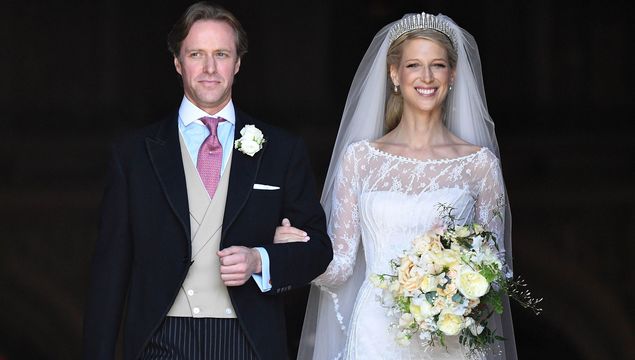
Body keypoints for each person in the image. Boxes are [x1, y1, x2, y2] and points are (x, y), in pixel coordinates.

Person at [81, 2, 332, 359]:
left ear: (238, 63)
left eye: (222, 54)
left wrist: (260, 259)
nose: (210, 68)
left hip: (248, 339)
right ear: (177, 62)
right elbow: (110, 270)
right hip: (160, 338)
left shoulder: (282, 149)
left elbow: (319, 249)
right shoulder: (133, 154)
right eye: (196, 54)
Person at [276, 11, 517, 360]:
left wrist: (455, 291)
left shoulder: (479, 165)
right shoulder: (360, 159)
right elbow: (342, 264)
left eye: (437, 65)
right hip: (376, 333)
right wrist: (300, 250)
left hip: (449, 337)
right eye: (414, 65)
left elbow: (496, 268)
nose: (426, 77)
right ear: (394, 73)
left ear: (452, 75)